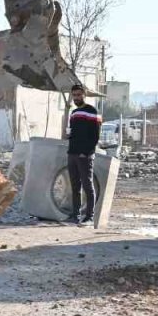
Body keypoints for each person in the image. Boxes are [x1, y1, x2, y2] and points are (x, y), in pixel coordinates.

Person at [65, 84, 102, 226]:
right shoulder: (73, 113)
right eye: (74, 95)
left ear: (84, 95)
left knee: (88, 185)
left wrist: (85, 152)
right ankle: (75, 215)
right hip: (72, 154)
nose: (76, 98)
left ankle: (89, 217)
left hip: (84, 155)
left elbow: (95, 136)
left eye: (79, 95)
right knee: (75, 186)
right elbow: (73, 133)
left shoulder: (92, 111)